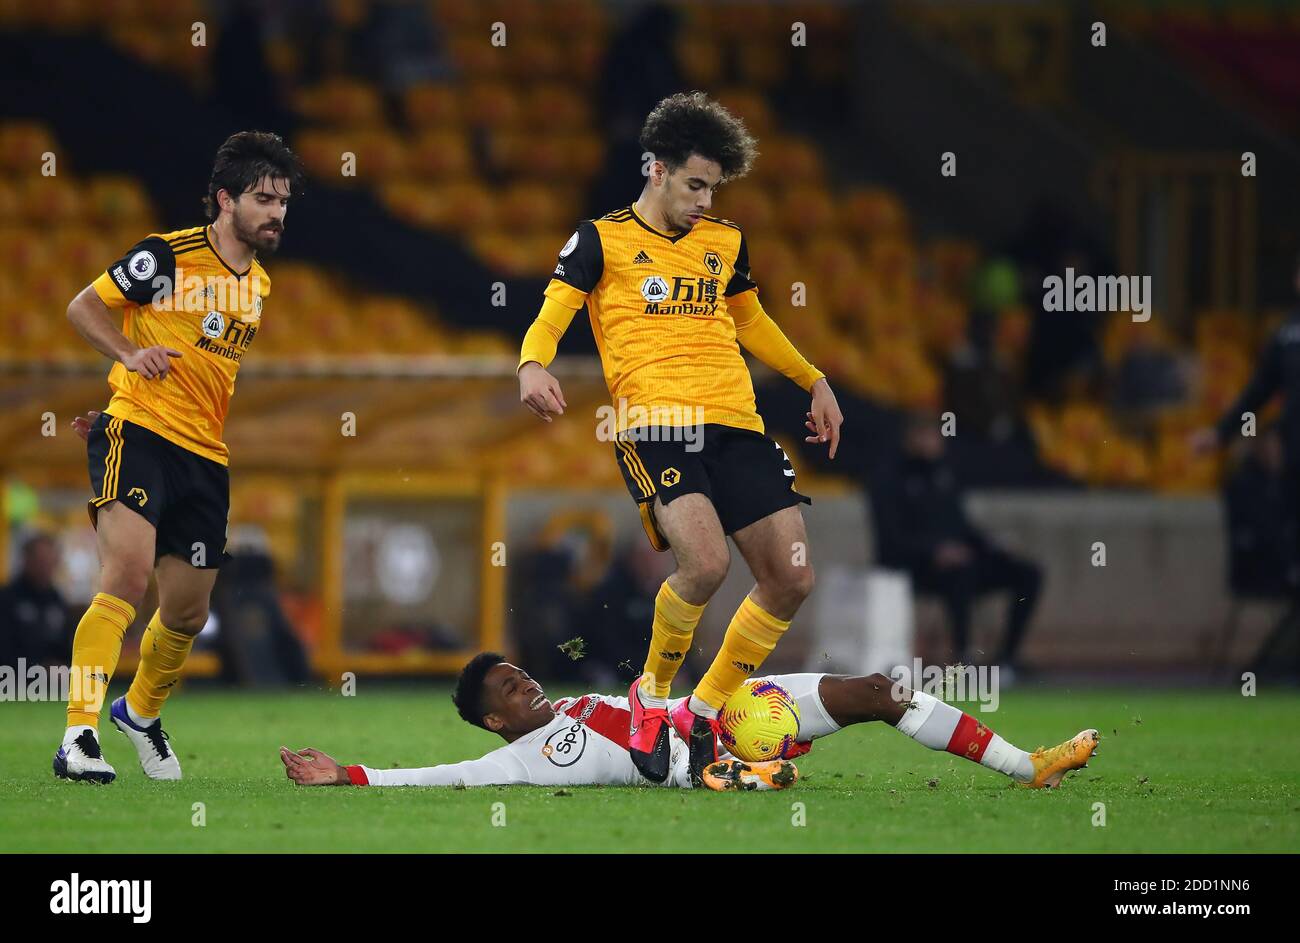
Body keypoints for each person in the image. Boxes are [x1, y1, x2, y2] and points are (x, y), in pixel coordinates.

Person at [516, 91, 845, 787]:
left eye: (713, 188)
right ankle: (651, 695)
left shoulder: (724, 242)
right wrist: (532, 363)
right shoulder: (600, 239)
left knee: (791, 577)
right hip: (657, 426)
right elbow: (554, 311)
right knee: (704, 565)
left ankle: (703, 709)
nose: (704, 200)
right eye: (695, 184)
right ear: (655, 168)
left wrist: (814, 378)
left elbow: (751, 322)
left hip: (738, 423)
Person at [54, 131, 303, 784]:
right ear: (226, 199)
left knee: (189, 610)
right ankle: (78, 735)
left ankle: (138, 712)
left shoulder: (260, 285)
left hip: (203, 457)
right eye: (263, 199)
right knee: (127, 578)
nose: (276, 212)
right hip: (137, 433)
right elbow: (84, 306)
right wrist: (128, 364)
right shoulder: (168, 254)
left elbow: (201, 366)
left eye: (283, 201)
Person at [279, 652, 1098, 791]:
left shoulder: (567, 707)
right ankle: (743, 777)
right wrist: (349, 773)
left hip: (717, 709)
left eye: (521, 670)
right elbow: (444, 777)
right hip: (695, 746)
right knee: (697, 762)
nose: (526, 681)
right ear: (490, 717)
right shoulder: (519, 763)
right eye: (509, 685)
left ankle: (1028, 765)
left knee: (879, 689)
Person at [870, 412, 1043, 671]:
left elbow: (962, 528)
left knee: (1028, 573)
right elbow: (891, 538)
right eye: (928, 435)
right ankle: (962, 658)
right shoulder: (889, 478)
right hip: (913, 567)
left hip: (960, 560)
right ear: (911, 438)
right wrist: (934, 551)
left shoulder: (943, 474)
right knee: (961, 572)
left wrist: (995, 546)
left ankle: (1007, 657)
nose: (935, 442)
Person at [0, 533, 71, 669]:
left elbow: (66, 646)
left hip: (54, 682)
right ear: (27, 560)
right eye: (41, 561)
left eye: (50, 561)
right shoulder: (7, 599)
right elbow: (5, 649)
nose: (46, 567)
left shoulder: (57, 600)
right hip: (12, 682)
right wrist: (40, 669)